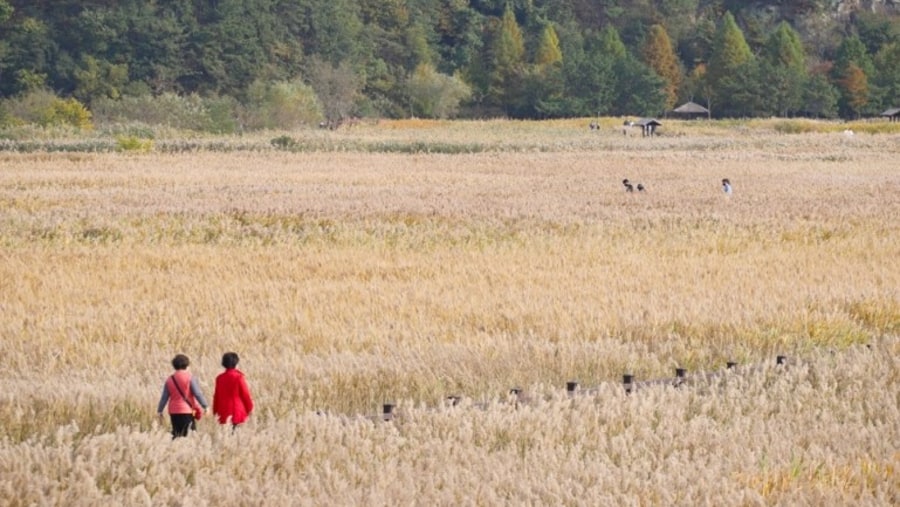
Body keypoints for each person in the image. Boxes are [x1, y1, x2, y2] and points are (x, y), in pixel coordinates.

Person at [157, 354, 208, 439]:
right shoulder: (190, 378)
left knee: (177, 434)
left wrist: (160, 410)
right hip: (187, 411)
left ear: (174, 366)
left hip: (173, 412)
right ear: (187, 366)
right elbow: (197, 393)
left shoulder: (170, 379)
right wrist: (205, 406)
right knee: (190, 435)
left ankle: (175, 450)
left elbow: (164, 398)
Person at [213, 352, 254, 429]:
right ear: (236, 363)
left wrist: (215, 412)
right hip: (237, 412)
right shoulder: (239, 377)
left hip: (223, 412)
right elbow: (245, 395)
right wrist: (250, 408)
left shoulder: (219, 378)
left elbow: (216, 396)